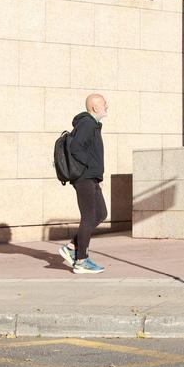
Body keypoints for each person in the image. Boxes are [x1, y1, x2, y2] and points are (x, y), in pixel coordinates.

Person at [58, 93, 109, 274]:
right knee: (89, 216)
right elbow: (76, 147)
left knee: (101, 213)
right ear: (95, 107)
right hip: (84, 178)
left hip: (91, 177)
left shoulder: (91, 125)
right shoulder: (87, 123)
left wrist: (96, 174)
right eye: (104, 104)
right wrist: (90, 166)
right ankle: (81, 260)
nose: (107, 106)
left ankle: (71, 247)